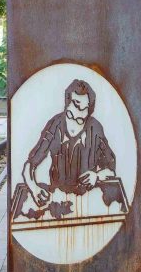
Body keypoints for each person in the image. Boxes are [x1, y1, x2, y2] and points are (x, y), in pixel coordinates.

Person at [13, 78, 123, 220]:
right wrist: (34, 188)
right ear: (67, 103)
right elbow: (30, 164)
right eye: (75, 108)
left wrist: (97, 176)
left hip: (89, 199)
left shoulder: (95, 128)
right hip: (57, 198)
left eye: (84, 111)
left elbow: (111, 168)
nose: (79, 115)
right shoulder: (55, 125)